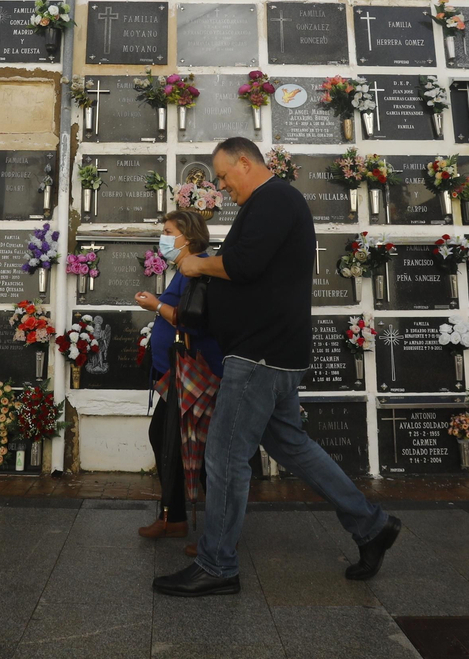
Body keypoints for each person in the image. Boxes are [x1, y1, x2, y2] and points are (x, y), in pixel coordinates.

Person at [152, 137, 401, 598]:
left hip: (259, 353)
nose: (222, 187)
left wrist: (197, 266)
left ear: (245, 162)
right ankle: (371, 525)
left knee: (225, 456)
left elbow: (245, 265)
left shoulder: (275, 199)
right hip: (273, 351)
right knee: (293, 446)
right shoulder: (271, 202)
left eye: (224, 176)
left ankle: (217, 564)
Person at [133, 210, 223, 545]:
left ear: (189, 236)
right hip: (174, 376)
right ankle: (173, 518)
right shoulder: (186, 269)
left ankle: (218, 533)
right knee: (167, 440)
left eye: (169, 232)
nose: (164, 238)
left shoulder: (200, 270)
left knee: (199, 449)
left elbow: (194, 320)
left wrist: (156, 306)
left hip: (192, 376)